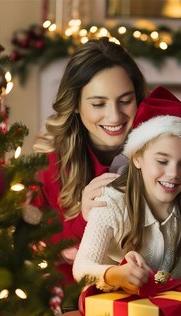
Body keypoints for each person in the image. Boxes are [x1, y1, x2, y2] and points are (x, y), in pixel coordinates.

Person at [72, 87, 181, 293]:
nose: (173, 173)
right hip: (122, 311)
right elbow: (82, 268)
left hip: (179, 309)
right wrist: (115, 274)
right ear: (137, 158)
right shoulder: (111, 202)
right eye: (162, 161)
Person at [30, 38, 148, 286]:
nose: (115, 116)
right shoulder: (51, 161)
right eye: (98, 104)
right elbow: (35, 239)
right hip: (73, 301)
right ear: (75, 104)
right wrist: (82, 218)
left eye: (125, 100)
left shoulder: (159, 148)